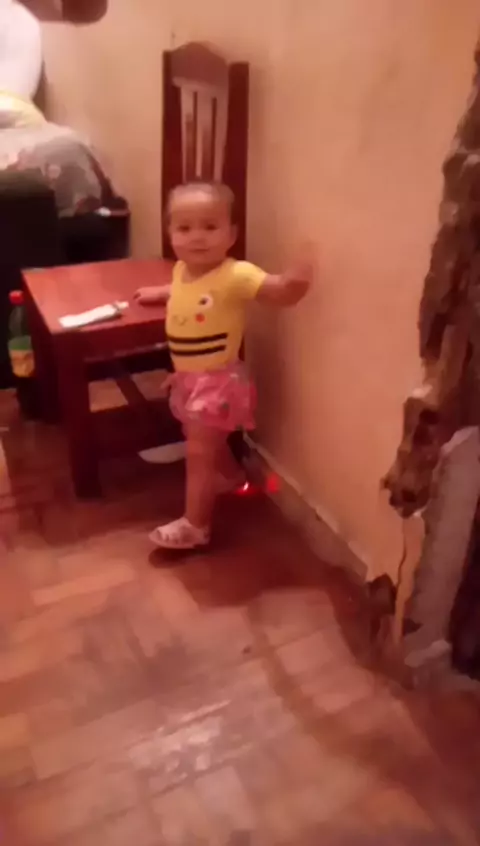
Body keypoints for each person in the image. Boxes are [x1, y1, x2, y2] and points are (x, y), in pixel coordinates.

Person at [135, 181, 312, 550]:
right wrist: (160, 293)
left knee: (199, 452)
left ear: (231, 234)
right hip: (188, 378)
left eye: (210, 226)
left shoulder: (237, 274)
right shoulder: (182, 270)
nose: (197, 236)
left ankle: (195, 526)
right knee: (202, 438)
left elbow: (278, 292)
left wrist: (297, 278)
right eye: (184, 228)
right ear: (170, 233)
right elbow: (186, 291)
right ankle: (231, 478)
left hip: (217, 382)